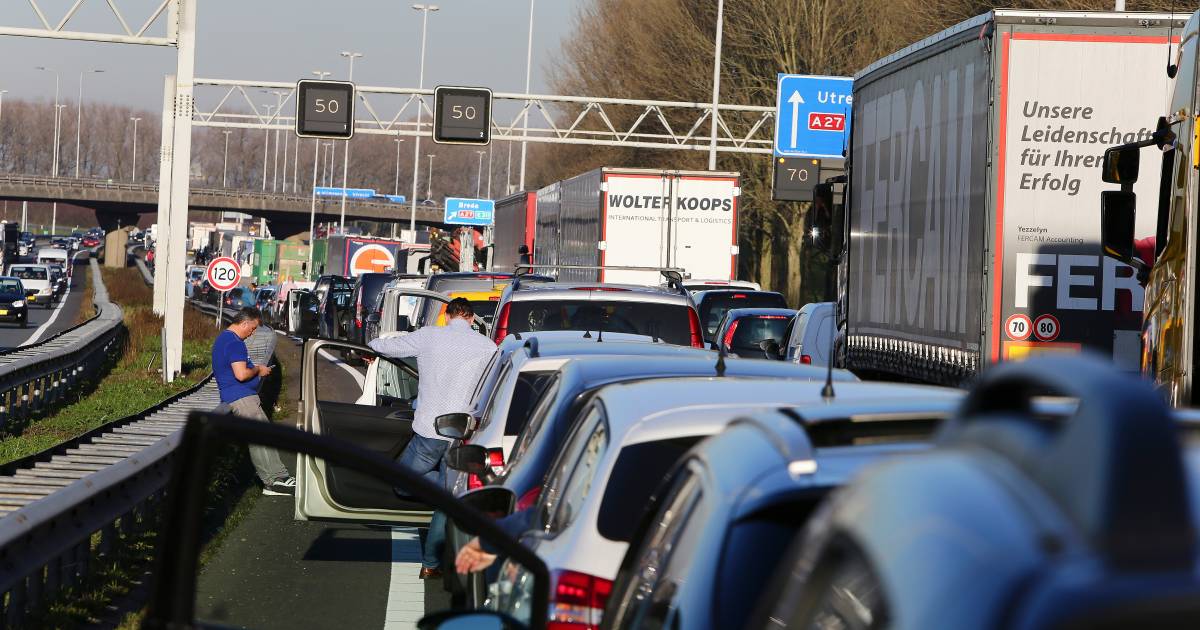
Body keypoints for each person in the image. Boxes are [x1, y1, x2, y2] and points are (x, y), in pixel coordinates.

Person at [368, 297, 496, 579]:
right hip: (461, 434)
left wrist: (373, 342)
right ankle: (431, 564)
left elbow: (386, 346)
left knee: (402, 483)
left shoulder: (429, 337)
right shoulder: (488, 347)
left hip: (429, 429)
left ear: (447, 316)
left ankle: (444, 496)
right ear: (472, 320)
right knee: (447, 499)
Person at [212, 307, 295, 496]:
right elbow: (241, 375)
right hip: (241, 397)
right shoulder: (234, 343)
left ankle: (278, 476)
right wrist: (258, 370)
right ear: (245, 323)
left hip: (239, 397)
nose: (253, 333)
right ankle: (273, 481)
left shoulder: (224, 339)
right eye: (253, 328)